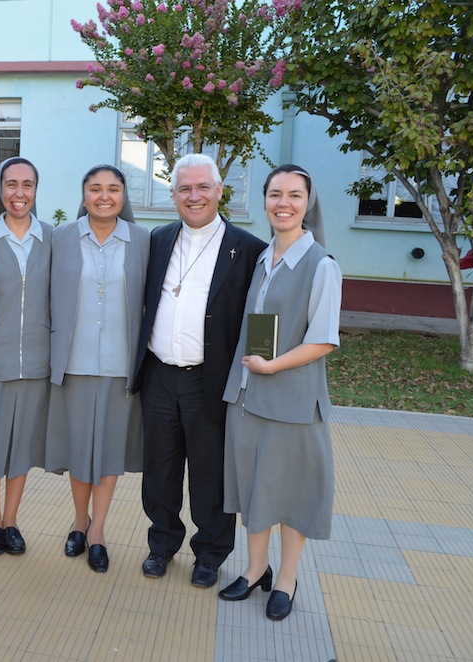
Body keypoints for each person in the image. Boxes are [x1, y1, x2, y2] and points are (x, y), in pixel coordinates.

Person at [134, 153, 267, 587]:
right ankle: (162, 544)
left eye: (203, 187)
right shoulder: (157, 240)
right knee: (160, 469)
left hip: (211, 381)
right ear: (173, 195)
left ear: (219, 191)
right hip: (158, 375)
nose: (194, 196)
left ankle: (210, 554)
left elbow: (260, 314)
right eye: (185, 188)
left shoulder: (248, 249)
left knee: (211, 473)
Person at [218, 164, 342, 621]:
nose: (283, 203)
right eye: (275, 194)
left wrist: (272, 366)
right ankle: (255, 569)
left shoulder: (322, 265)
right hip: (247, 397)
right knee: (254, 488)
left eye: (294, 195)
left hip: (293, 401)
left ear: (308, 203)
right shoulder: (261, 257)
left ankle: (286, 579)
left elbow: (324, 340)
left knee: (290, 492)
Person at [45, 164, 149, 573]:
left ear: (124, 195)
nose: (104, 196)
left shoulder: (143, 240)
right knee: (79, 446)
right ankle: (79, 521)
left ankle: (99, 530)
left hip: (120, 366)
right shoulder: (61, 237)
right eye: (95, 188)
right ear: (83, 194)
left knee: (108, 449)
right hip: (73, 361)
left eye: (113, 189)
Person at [0, 157, 52, 556]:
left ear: (36, 189)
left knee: (21, 447)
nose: (19, 193)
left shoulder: (52, 238)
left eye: (27, 185)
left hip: (36, 361)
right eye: (11, 184)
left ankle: (11, 521)